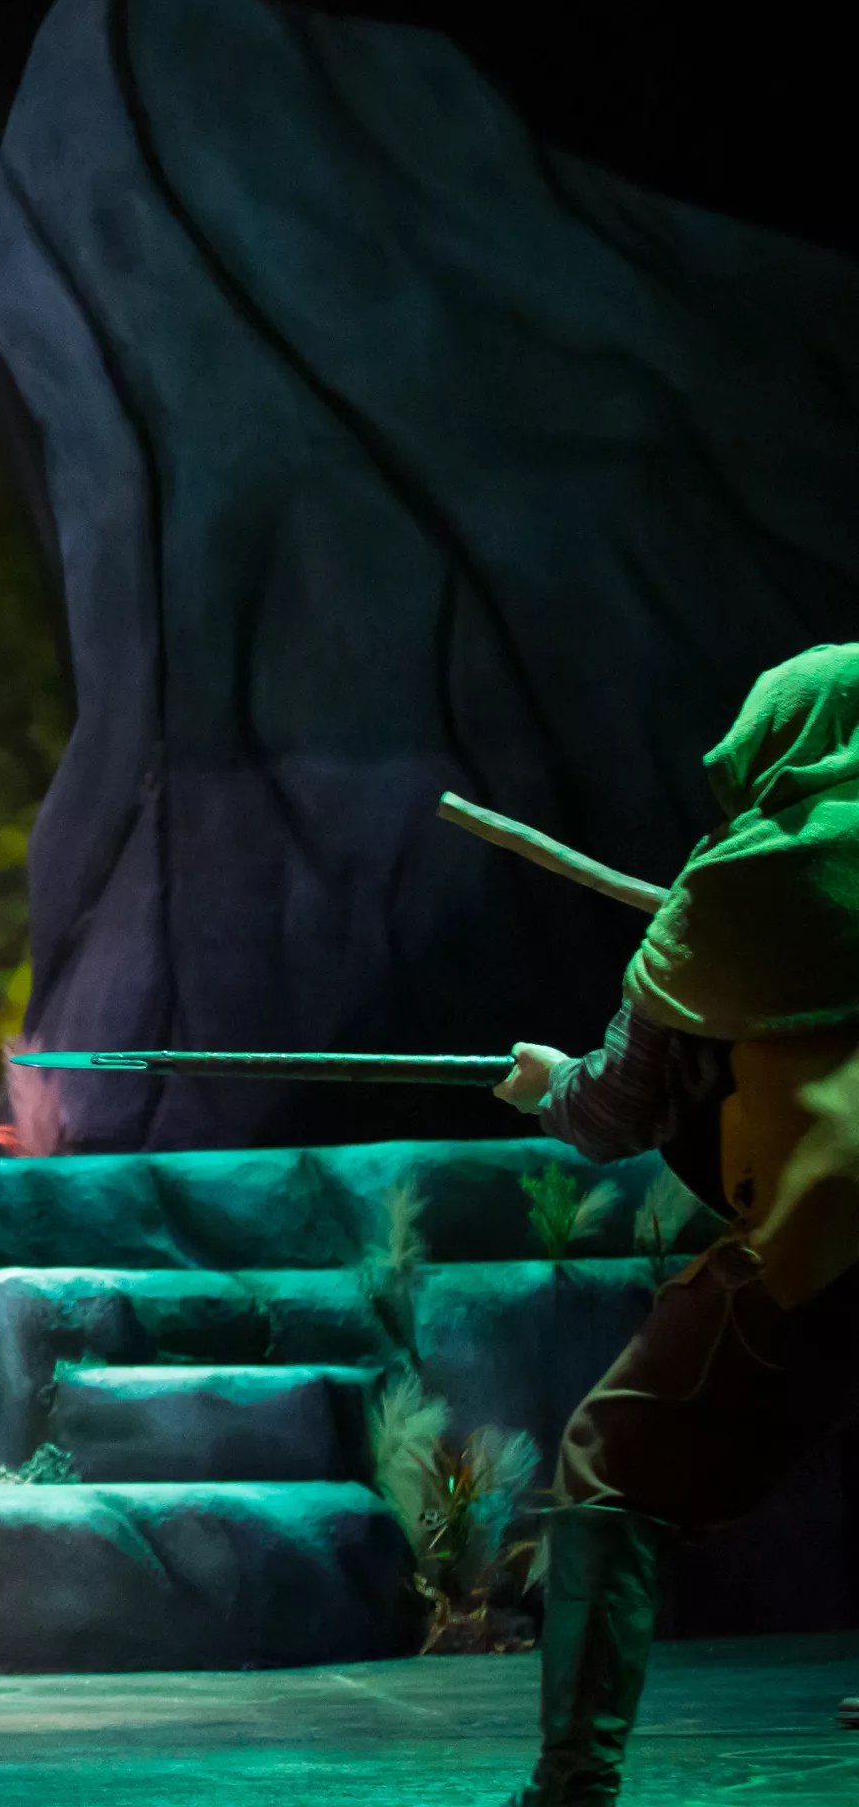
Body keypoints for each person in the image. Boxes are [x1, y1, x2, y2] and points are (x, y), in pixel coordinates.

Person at [491, 644, 859, 1801]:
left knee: (612, 1459)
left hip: (834, 1238)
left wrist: (548, 1085)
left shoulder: (743, 884)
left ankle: (573, 1785)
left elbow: (616, 1108)